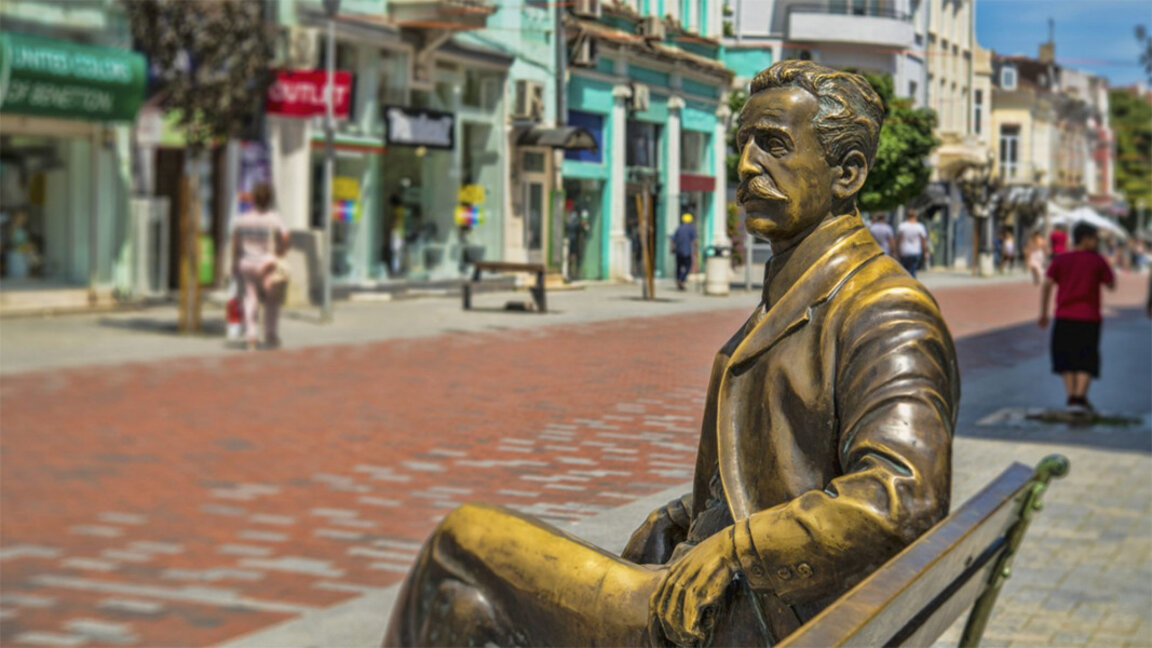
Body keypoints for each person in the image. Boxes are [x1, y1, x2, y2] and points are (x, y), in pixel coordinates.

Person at [383, 61, 958, 648]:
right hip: (740, 605)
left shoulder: (883, 309)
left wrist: (737, 548)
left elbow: (902, 494)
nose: (746, 164)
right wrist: (685, 515)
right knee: (462, 605)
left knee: (462, 540)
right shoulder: (800, 288)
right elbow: (784, 471)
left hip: (745, 619)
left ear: (849, 172)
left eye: (775, 144)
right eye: (744, 144)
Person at [1038, 223, 1115, 413]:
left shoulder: (1061, 260)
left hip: (1064, 316)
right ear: (1086, 239)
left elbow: (1047, 284)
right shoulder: (1097, 261)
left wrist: (1043, 313)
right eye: (1095, 238)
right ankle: (1079, 398)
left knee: (1066, 357)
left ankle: (1072, 397)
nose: (1097, 242)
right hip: (1089, 318)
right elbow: (1111, 284)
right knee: (1086, 358)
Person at [231, 183, 290, 350]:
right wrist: (281, 252)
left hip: (247, 263)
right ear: (270, 199)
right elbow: (286, 236)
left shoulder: (243, 218)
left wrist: (234, 263)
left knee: (250, 299)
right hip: (267, 263)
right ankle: (270, 334)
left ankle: (251, 337)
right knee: (271, 301)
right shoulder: (274, 218)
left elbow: (235, 242)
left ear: (254, 199)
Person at [896, 209, 929, 277]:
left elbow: (899, 240)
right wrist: (925, 252)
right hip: (915, 252)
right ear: (915, 216)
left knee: (905, 272)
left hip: (904, 252)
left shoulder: (902, 226)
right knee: (913, 271)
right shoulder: (919, 227)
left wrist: (897, 252)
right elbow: (923, 241)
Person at [670, 213, 698, 290]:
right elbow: (694, 241)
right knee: (688, 266)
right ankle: (681, 279)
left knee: (678, 266)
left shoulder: (679, 228)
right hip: (687, 251)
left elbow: (672, 239)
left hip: (678, 251)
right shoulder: (691, 229)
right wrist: (695, 251)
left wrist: (671, 249)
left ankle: (679, 279)